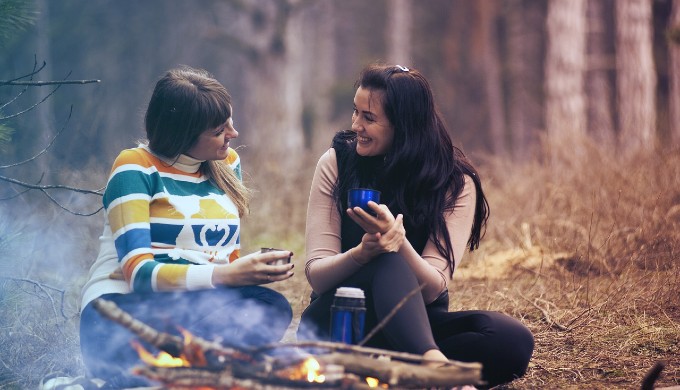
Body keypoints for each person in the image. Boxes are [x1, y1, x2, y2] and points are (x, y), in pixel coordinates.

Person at [297, 63, 534, 387]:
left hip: (415, 324)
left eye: (369, 118)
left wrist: (400, 243)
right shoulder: (337, 163)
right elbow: (318, 275)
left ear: (403, 125)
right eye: (355, 112)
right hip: (339, 323)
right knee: (385, 261)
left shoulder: (455, 182)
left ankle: (405, 373)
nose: (356, 125)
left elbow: (435, 285)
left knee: (511, 339)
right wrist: (362, 254)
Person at [79, 66, 294, 388]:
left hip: (194, 307)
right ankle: (170, 371)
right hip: (121, 313)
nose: (233, 134)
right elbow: (138, 275)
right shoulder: (135, 167)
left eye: (230, 122)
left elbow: (223, 256)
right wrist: (226, 276)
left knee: (270, 305)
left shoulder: (227, 163)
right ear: (183, 133)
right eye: (220, 130)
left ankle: (182, 374)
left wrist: (245, 272)